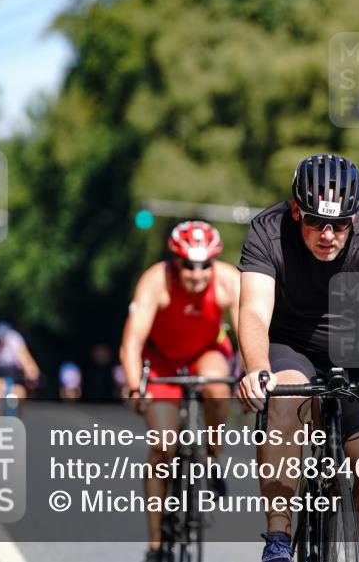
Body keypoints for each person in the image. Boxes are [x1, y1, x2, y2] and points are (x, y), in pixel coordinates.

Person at [236, 153, 359, 562]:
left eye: (340, 224)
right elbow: (254, 310)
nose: (328, 234)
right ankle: (278, 539)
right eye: (315, 222)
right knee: (285, 395)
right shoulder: (267, 229)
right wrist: (258, 369)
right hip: (289, 343)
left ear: (356, 216)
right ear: (296, 211)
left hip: (355, 346)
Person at [119, 220, 240, 562]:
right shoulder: (155, 281)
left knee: (217, 388)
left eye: (205, 265)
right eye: (189, 265)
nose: (198, 274)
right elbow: (131, 343)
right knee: (162, 448)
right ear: (175, 261)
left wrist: (251, 374)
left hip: (207, 351)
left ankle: (214, 456)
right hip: (160, 361)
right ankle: (157, 543)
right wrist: (134, 386)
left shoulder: (229, 281)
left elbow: (249, 332)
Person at [0, 322, 40, 400]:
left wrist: (31, 372)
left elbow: (26, 360)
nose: (1, 341)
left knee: (20, 393)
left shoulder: (15, 339)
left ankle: (18, 410)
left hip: (15, 373)